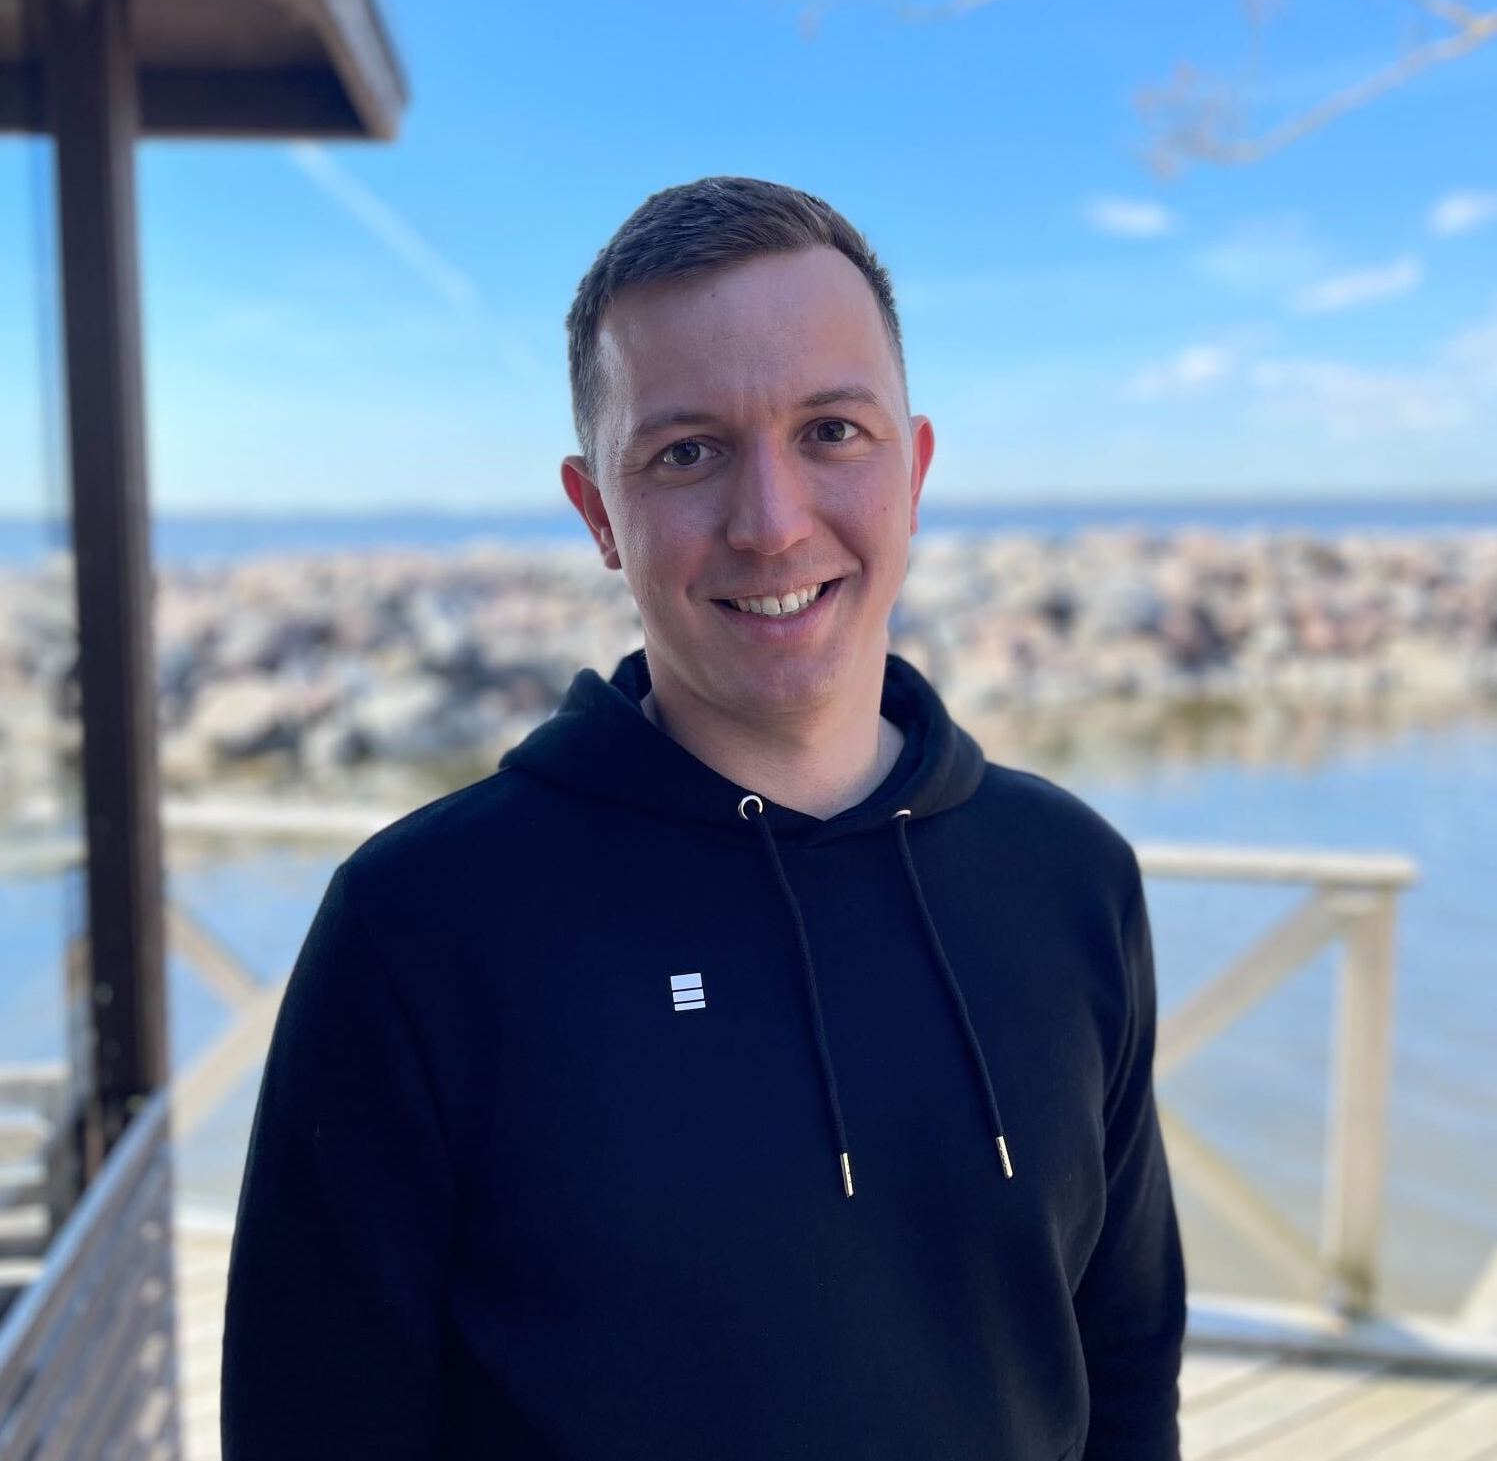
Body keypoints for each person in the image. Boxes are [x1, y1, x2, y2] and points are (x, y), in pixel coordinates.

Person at [220, 175, 1187, 1460]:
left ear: (917, 470)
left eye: (832, 431)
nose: (772, 524)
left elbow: (1122, 1375)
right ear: (597, 516)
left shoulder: (1069, 878)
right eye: (687, 453)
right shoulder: (424, 926)